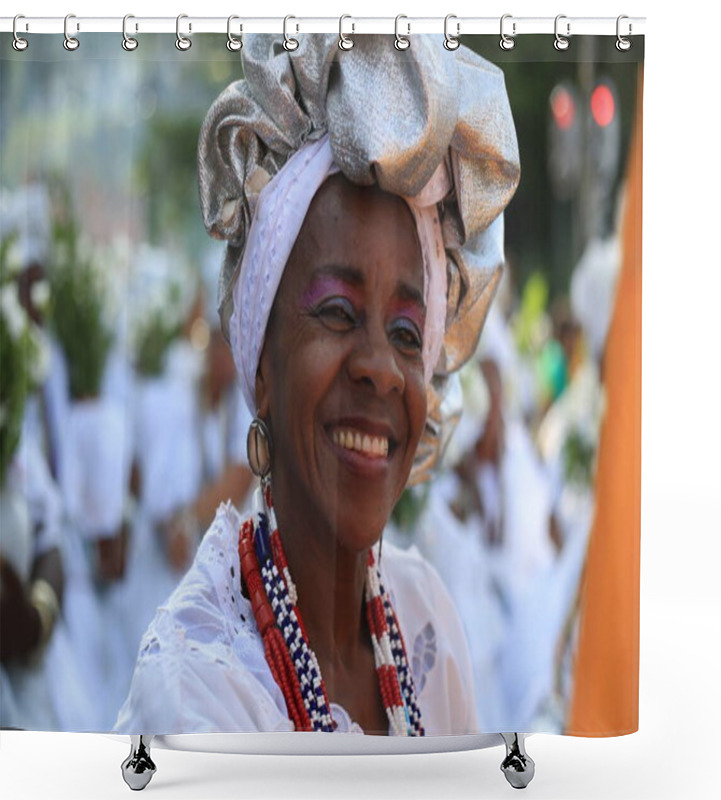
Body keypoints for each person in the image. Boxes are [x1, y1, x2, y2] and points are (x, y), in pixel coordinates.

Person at [116, 33, 519, 737]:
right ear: (261, 363)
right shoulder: (195, 694)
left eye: (404, 332)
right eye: (337, 311)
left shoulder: (425, 617)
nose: (379, 367)